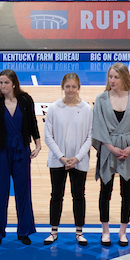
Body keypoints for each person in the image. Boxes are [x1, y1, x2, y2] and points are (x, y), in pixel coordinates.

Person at [93, 63, 130, 247]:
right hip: (108, 150)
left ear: (124, 78)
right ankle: (105, 231)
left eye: (116, 77)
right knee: (105, 191)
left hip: (128, 151)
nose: (112, 80)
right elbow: (98, 127)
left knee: (127, 192)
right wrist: (111, 147)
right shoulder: (101, 99)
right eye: (110, 77)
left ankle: (123, 231)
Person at [0, 69, 41, 247]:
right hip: (0, 152)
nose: (3, 86)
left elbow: (32, 123)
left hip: (21, 151)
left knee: (23, 192)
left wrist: (38, 145)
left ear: (14, 84)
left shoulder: (26, 100)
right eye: (0, 83)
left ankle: (24, 231)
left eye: (6, 83)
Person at [42, 73, 92, 246]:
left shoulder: (87, 109)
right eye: (68, 86)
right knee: (56, 195)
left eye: (73, 87)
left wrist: (77, 158)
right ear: (63, 87)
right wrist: (61, 157)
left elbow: (90, 137)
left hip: (79, 161)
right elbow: (48, 136)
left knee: (79, 196)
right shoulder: (54, 108)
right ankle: (53, 231)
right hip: (58, 161)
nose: (70, 90)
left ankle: (79, 231)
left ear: (78, 88)